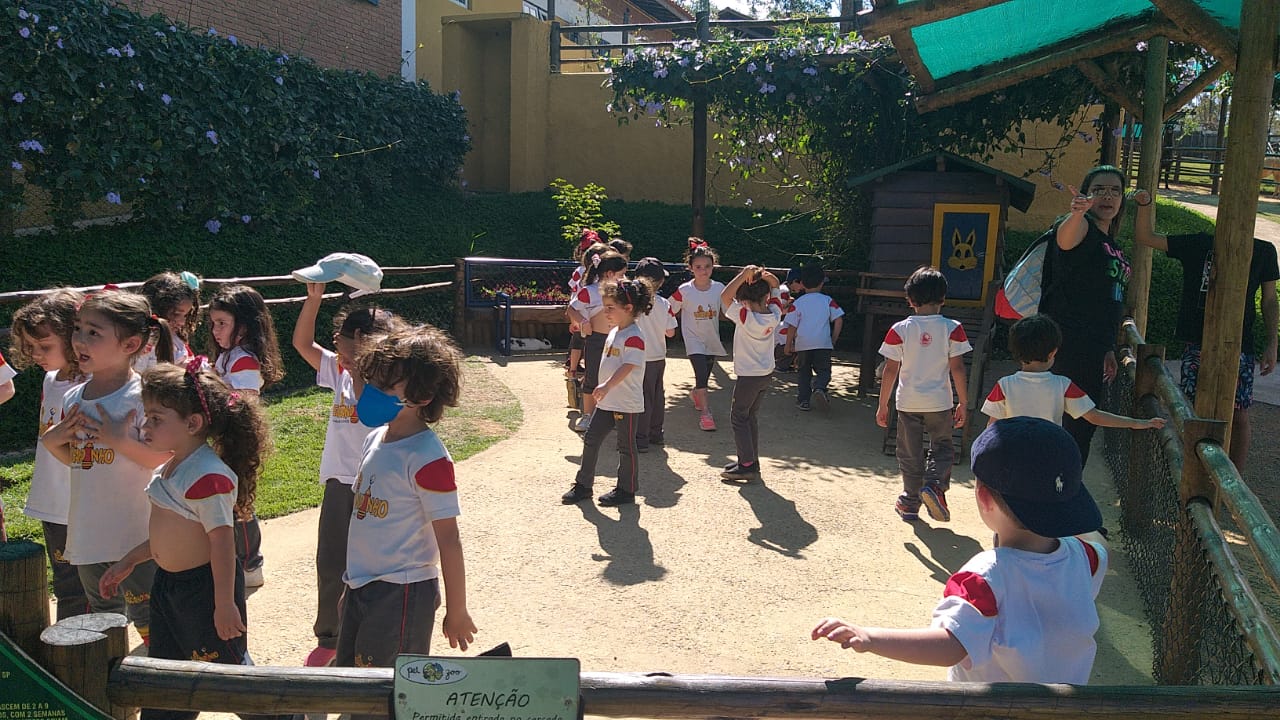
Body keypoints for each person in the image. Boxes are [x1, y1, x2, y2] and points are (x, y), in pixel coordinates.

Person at [812, 417, 1108, 684]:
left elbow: (951, 646)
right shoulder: (1088, 559)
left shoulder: (985, 577)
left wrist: (869, 637)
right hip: (1064, 708)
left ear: (983, 496)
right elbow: (1099, 542)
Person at [99, 360, 272, 720]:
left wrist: (224, 604)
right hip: (168, 587)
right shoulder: (172, 466)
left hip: (203, 591)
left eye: (156, 418)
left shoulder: (208, 476)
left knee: (229, 681)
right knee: (166, 675)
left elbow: (222, 544)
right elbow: (170, 536)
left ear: (192, 424)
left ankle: (284, 715)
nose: (145, 425)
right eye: (147, 416)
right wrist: (130, 560)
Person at [341, 325, 476, 682]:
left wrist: (457, 610)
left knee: (387, 690)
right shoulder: (374, 439)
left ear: (423, 396)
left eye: (386, 385)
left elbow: (449, 539)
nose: (373, 391)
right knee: (349, 683)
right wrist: (350, 587)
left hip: (401, 593)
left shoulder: (428, 458)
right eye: (373, 380)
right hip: (361, 586)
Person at [41, 289, 174, 644]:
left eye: (93, 333)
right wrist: (53, 443)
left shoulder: (143, 397)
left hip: (138, 538)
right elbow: (83, 463)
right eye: (78, 329)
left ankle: (163, 680)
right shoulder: (74, 396)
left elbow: (165, 460)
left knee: (152, 624)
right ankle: (114, 683)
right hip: (89, 535)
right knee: (104, 626)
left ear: (131, 344)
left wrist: (119, 440)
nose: (79, 340)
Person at [292, 282, 405, 668]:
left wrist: (359, 369)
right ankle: (330, 637)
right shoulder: (337, 371)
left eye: (340, 339)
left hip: (376, 485)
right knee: (331, 562)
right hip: (340, 483)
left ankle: (371, 638)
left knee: (373, 564)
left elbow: (374, 414)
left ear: (359, 340)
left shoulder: (390, 381)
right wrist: (313, 299)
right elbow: (302, 343)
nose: (334, 344)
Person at [1132, 187, 1279, 471]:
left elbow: (1269, 300)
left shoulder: (1263, 251)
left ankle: (1232, 479)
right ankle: (1192, 469)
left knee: (1238, 414)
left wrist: (1271, 342)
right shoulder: (1199, 244)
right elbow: (1145, 237)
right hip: (1197, 340)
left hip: (1240, 343)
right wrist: (1145, 203)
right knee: (1192, 407)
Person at [1039, 165, 1132, 466]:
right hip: (1068, 345)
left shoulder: (1111, 244)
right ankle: (1059, 485)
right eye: (1098, 190)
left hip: (1094, 349)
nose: (1108, 196)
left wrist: (1108, 346)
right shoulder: (1080, 228)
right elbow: (1065, 242)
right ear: (1086, 195)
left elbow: (1106, 302)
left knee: (1081, 428)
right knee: (1068, 426)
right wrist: (1077, 213)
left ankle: (1066, 484)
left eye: (1115, 191)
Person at [9, 289, 91, 619]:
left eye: (44, 346)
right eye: (31, 347)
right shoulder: (51, 379)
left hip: (81, 501)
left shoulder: (91, 385)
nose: (36, 354)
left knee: (86, 587)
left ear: (73, 337)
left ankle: (84, 647)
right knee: (67, 583)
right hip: (54, 501)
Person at [876, 267, 970, 523]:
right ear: (943, 298)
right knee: (942, 447)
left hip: (908, 402)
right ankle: (935, 486)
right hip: (939, 402)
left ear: (910, 299)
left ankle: (909, 502)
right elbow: (957, 368)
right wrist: (963, 402)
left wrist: (883, 404)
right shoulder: (953, 328)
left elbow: (890, 369)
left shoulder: (899, 329)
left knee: (910, 452)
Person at [207, 284, 285, 588]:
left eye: (222, 323)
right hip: (225, 436)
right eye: (213, 323)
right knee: (228, 500)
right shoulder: (229, 356)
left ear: (244, 326)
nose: (215, 330)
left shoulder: (244, 360)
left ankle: (251, 564)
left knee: (240, 502)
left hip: (237, 438)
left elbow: (243, 404)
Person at [983, 314, 1167, 432]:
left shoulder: (1004, 385)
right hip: (1049, 455)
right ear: (1053, 352)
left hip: (1013, 457)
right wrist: (1138, 423)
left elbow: (992, 427)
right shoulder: (1062, 385)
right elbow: (1094, 416)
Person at [562, 279, 652, 507]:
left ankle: (626, 490)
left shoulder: (634, 336)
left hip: (625, 404)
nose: (605, 312)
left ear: (628, 308)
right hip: (607, 402)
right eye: (604, 306)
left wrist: (607, 386)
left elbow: (628, 366)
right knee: (591, 439)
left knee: (626, 447)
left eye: (610, 307)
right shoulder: (614, 332)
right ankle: (583, 485)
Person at [719, 266, 783, 481]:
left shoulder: (744, 316)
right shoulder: (774, 314)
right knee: (750, 416)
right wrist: (767, 277)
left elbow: (724, 296)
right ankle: (750, 460)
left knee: (739, 416)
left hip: (748, 376)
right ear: (766, 296)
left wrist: (743, 274)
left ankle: (747, 465)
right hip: (765, 373)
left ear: (742, 300)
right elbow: (776, 286)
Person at [566, 250, 628, 433]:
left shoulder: (622, 291)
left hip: (617, 339)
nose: (624, 278)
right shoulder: (590, 291)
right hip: (596, 339)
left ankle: (613, 416)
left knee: (615, 376)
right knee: (592, 376)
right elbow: (571, 309)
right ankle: (588, 415)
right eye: (621, 274)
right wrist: (583, 322)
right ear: (609, 274)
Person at [668, 239, 726, 431]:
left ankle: (696, 393)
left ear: (713, 266)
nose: (703, 270)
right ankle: (706, 414)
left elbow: (730, 308)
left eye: (707, 266)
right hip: (693, 339)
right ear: (691, 268)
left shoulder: (719, 288)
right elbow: (668, 309)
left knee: (705, 375)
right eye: (698, 267)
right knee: (701, 374)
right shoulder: (685, 290)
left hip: (711, 338)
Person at [784, 263, 844, 411]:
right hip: (823, 343)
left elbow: (792, 325)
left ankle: (803, 400)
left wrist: (788, 345)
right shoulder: (828, 300)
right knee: (824, 370)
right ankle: (819, 387)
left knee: (804, 372)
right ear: (822, 282)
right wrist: (833, 339)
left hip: (803, 344)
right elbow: (839, 319)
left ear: (802, 283)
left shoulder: (798, 303)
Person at [632, 257, 677, 452]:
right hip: (659, 356)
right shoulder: (664, 303)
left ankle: (640, 438)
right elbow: (671, 332)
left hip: (638, 356)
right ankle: (656, 433)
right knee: (658, 395)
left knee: (643, 397)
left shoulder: (632, 302)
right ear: (660, 281)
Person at [134, 271, 199, 372]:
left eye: (186, 315)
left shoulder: (176, 337)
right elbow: (141, 374)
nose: (182, 322)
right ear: (158, 309)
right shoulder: (144, 344)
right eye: (176, 314)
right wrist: (179, 370)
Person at [565, 231, 602, 407]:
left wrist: (574, 319)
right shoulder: (600, 276)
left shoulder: (580, 272)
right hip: (588, 316)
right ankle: (580, 376)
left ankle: (573, 373)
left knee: (579, 344)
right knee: (586, 346)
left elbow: (573, 291)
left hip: (581, 314)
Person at [774, 267, 804, 373]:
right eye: (801, 283)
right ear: (795, 281)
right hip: (777, 327)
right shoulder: (784, 291)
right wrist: (792, 307)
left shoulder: (783, 290)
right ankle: (782, 363)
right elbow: (778, 311)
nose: (802, 287)